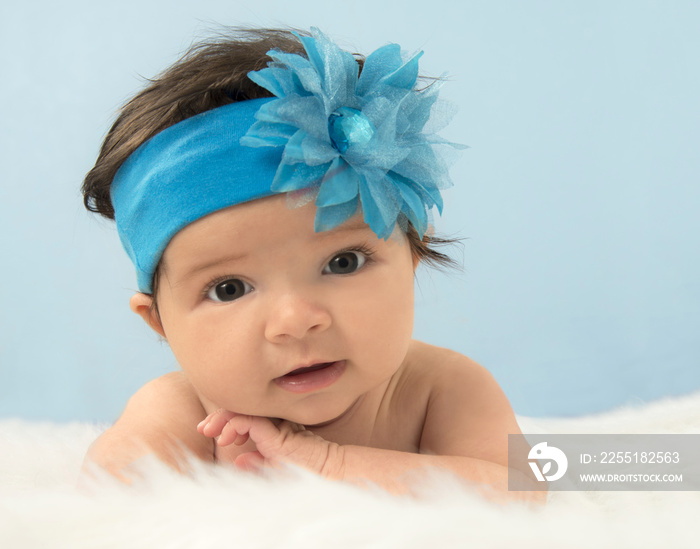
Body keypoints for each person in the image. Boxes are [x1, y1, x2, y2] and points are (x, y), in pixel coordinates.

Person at [81, 27, 541, 500]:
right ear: (159, 320)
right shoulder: (184, 410)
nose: (296, 322)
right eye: (229, 289)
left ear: (413, 257)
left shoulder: (440, 389)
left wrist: (329, 463)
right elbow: (107, 498)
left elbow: (523, 490)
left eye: (342, 262)